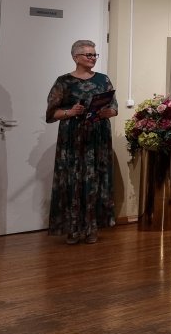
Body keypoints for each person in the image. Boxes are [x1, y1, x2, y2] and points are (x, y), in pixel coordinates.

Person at [45, 40, 118, 245]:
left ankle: (92, 227)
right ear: (76, 57)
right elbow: (51, 113)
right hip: (73, 138)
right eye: (89, 55)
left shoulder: (103, 80)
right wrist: (70, 112)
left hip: (98, 137)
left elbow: (114, 107)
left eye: (95, 55)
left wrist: (108, 112)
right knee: (73, 180)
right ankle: (73, 229)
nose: (93, 58)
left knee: (95, 179)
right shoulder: (63, 82)